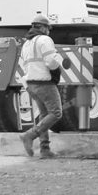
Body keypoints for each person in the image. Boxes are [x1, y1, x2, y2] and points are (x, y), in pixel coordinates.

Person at [18, 14, 70, 159]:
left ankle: (45, 149)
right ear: (42, 27)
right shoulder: (45, 40)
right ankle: (30, 135)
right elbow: (51, 62)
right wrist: (58, 65)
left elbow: (23, 66)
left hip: (31, 84)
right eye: (47, 28)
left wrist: (26, 85)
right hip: (44, 83)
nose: (49, 31)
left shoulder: (26, 43)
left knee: (44, 115)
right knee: (56, 113)